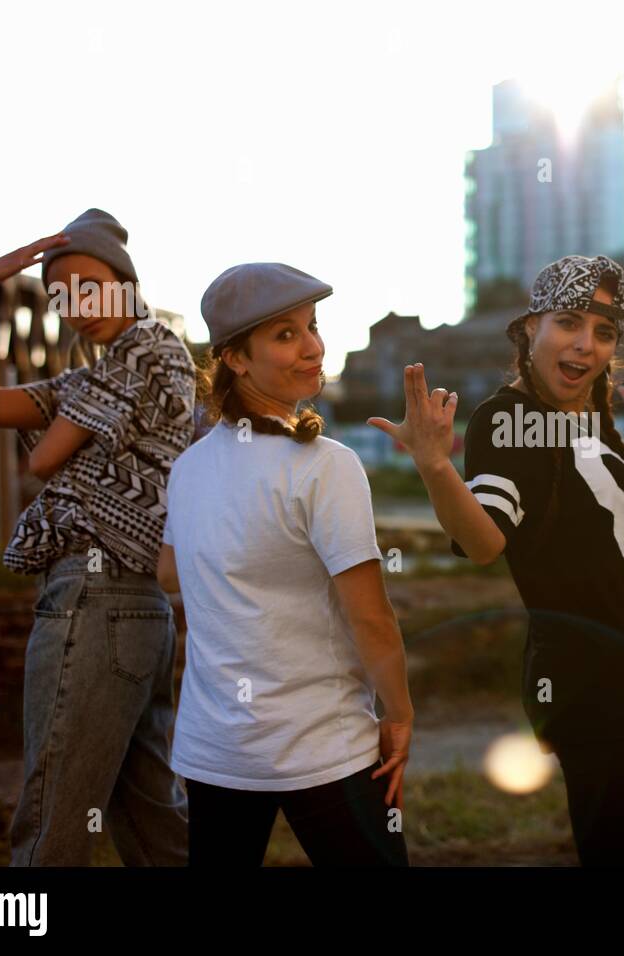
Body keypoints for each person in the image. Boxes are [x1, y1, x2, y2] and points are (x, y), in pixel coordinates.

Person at [369, 255, 624, 866]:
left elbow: (618, 512)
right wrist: (435, 465)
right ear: (530, 326)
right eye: (568, 323)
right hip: (594, 681)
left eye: (605, 332)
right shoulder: (510, 420)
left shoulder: (590, 411)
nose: (586, 345)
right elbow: (485, 542)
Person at [0, 208, 195, 865]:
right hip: (133, 607)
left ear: (126, 282)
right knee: (154, 829)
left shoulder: (147, 348)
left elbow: (40, 458)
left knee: (53, 826)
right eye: (59, 296)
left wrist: (62, 425)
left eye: (89, 286)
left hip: (94, 601)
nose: (74, 307)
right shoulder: (101, 376)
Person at [159, 262, 412, 866]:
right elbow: (370, 619)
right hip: (322, 745)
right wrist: (399, 714)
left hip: (215, 748)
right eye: (286, 334)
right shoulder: (327, 466)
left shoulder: (189, 467)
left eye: (313, 326)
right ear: (237, 359)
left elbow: (170, 575)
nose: (314, 347)